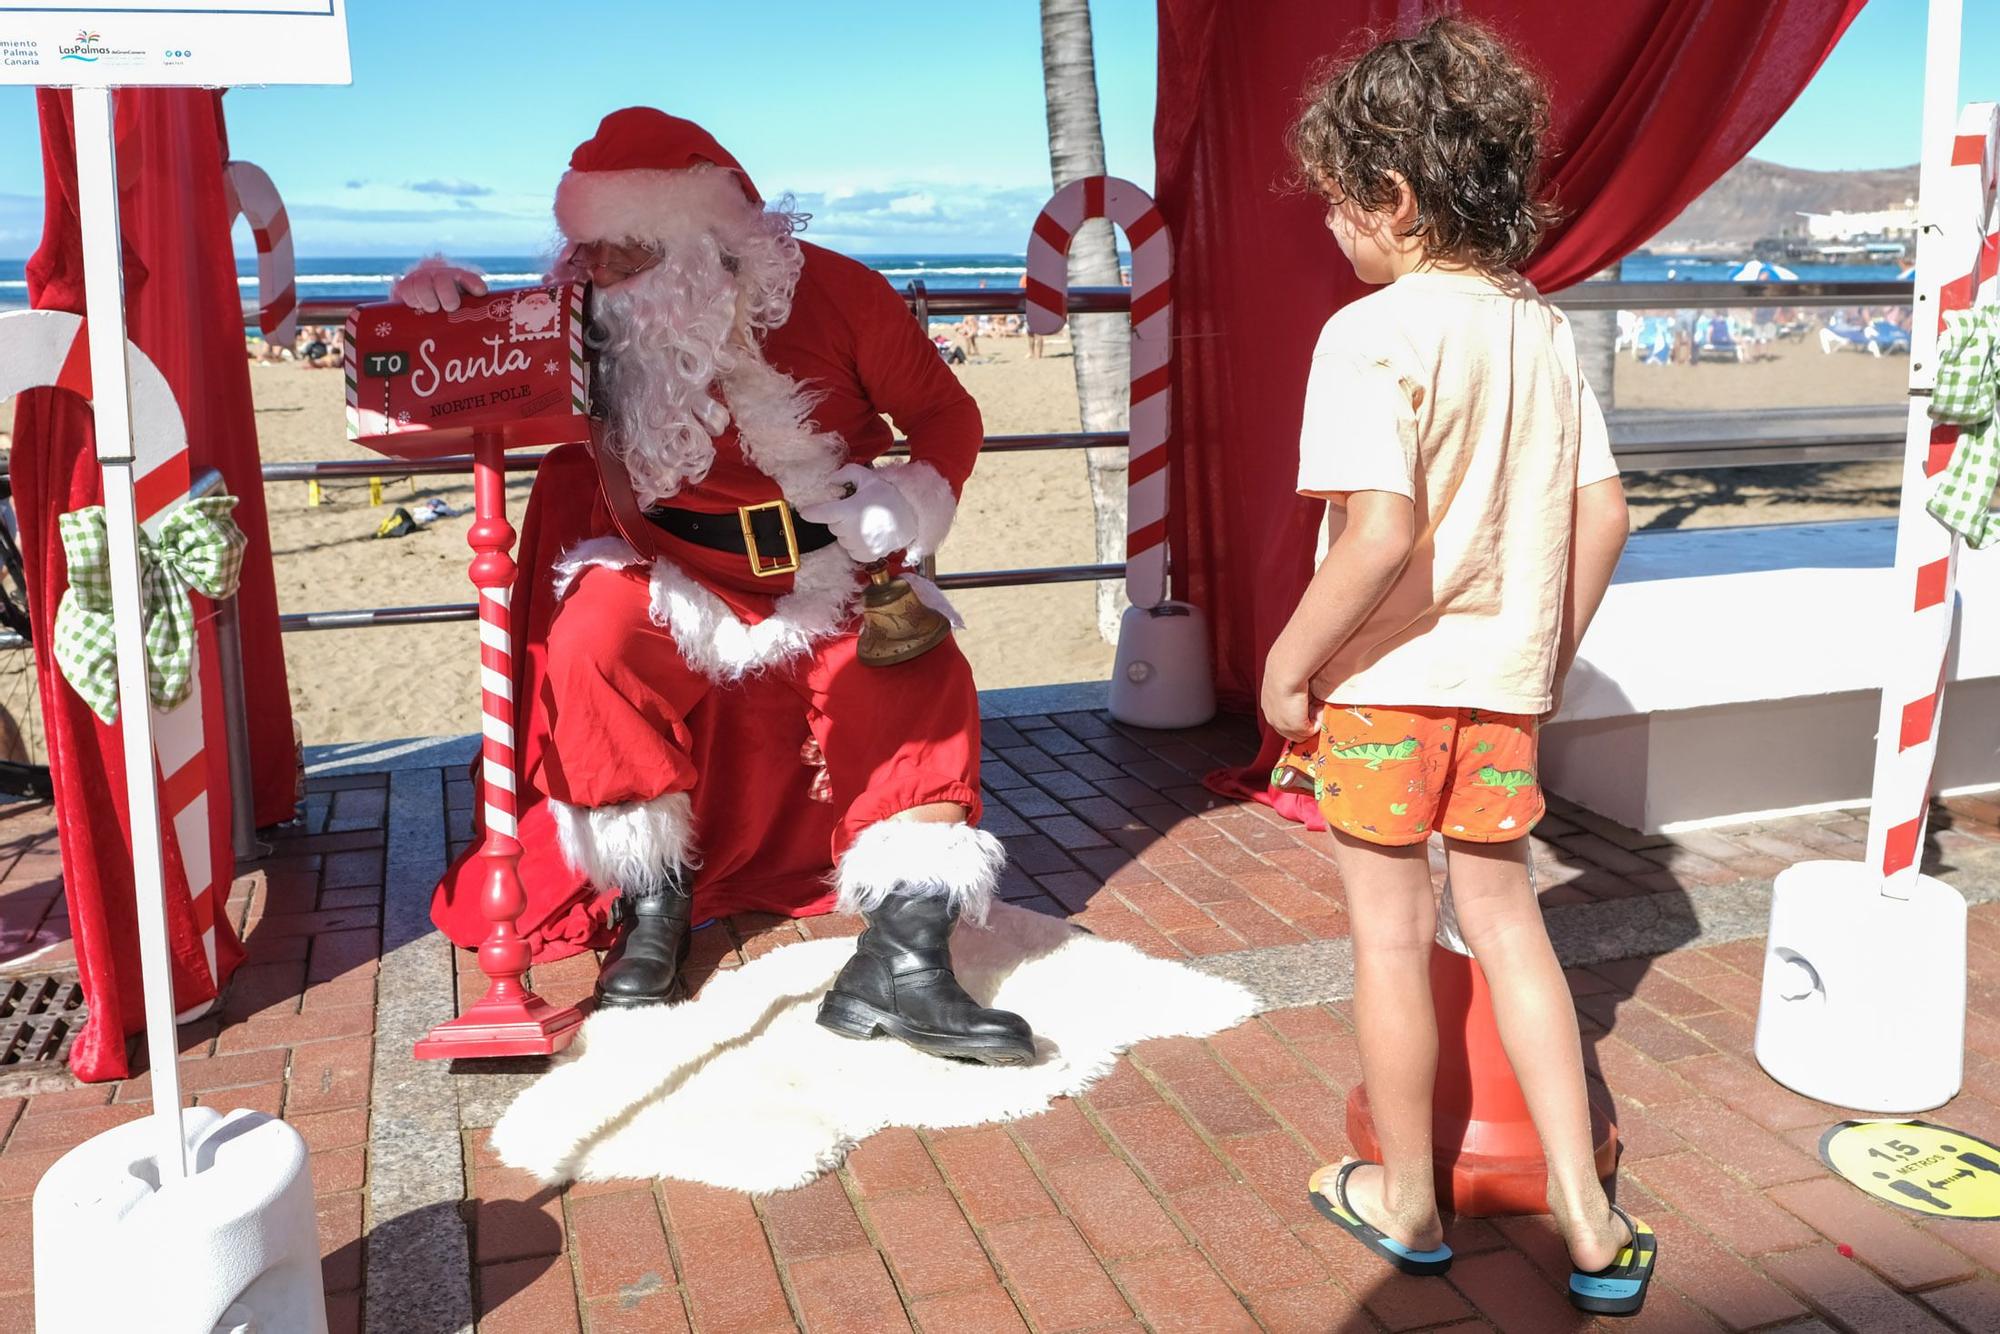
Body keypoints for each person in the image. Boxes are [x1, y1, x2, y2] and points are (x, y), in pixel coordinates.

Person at [392, 109, 1034, 1065]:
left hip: (825, 567)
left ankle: (902, 960)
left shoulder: (843, 295)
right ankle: (654, 904)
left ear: (706, 245)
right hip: (670, 571)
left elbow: (945, 411)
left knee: (918, 677)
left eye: (627, 253)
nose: (596, 272)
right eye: (587, 250)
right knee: (591, 646)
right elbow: (476, 369)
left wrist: (916, 491)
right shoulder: (582, 303)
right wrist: (431, 306)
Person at [1269, 18, 1653, 1316]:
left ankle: (1410, 1198)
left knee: (1390, 939)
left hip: (1384, 691)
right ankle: (1589, 1212)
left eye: (1338, 206)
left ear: (1391, 194)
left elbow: (1378, 530)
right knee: (1508, 922)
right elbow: (1602, 514)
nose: (1334, 234)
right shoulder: (1542, 332)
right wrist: (1540, 647)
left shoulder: (1367, 334)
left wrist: (1290, 654)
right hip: (1501, 690)